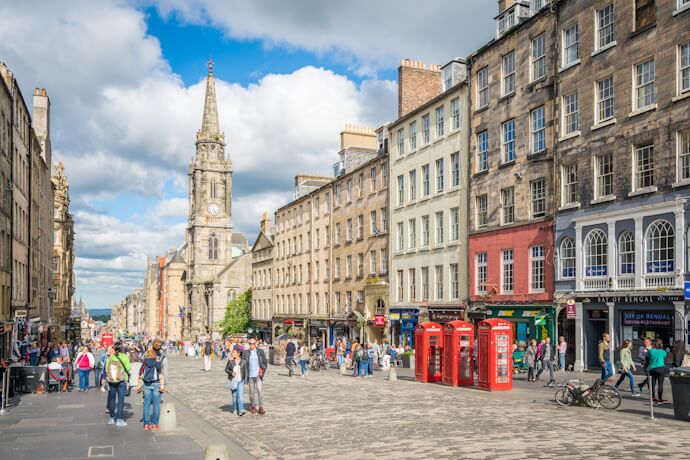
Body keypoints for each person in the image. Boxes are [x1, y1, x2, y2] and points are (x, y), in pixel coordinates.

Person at [137, 348, 166, 430]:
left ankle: (146, 424)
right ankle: (155, 424)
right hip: (156, 384)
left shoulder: (145, 362)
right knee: (156, 405)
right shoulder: (157, 362)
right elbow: (160, 370)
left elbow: (140, 373)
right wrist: (157, 360)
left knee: (146, 404)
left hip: (146, 384)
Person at [105, 343, 132, 427]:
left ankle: (112, 418)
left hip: (112, 381)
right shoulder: (124, 357)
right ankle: (120, 419)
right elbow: (128, 368)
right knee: (121, 400)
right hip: (121, 381)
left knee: (112, 399)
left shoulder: (109, 357)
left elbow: (106, 369)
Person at [242, 337, 267, 415]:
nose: (252, 345)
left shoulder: (260, 351)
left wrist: (262, 371)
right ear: (248, 344)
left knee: (260, 391)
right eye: (250, 343)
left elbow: (265, 363)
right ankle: (253, 406)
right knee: (251, 392)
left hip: (258, 375)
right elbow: (242, 364)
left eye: (253, 343)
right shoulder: (245, 352)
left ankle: (261, 407)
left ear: (256, 343)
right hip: (250, 375)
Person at [225, 348, 247, 416]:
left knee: (240, 396)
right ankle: (235, 408)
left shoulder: (243, 361)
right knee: (234, 396)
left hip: (241, 380)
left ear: (238, 353)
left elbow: (246, 371)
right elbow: (226, 369)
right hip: (233, 381)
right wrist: (231, 373)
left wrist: (246, 381)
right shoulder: (231, 361)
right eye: (232, 352)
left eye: (234, 352)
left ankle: (241, 409)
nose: (233, 354)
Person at [647, 340, 668, 404]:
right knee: (660, 384)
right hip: (661, 369)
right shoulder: (663, 352)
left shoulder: (650, 351)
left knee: (652, 384)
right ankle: (660, 398)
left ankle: (653, 397)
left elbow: (647, 358)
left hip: (652, 369)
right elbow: (664, 358)